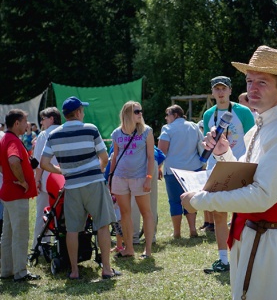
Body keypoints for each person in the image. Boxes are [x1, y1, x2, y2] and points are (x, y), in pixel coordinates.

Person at [181, 45, 277, 299]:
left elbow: (261, 195)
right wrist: (223, 153)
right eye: (249, 81)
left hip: (268, 241)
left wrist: (200, 200)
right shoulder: (259, 127)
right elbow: (244, 175)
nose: (252, 88)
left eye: (262, 82)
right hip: (251, 234)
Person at [41, 96, 119, 279]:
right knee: (102, 225)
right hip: (94, 183)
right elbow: (104, 158)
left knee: (72, 229)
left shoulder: (53, 135)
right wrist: (95, 172)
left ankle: (74, 271)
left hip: (72, 186)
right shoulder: (91, 129)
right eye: (82, 110)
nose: (83, 113)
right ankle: (107, 269)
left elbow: (44, 163)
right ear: (77, 112)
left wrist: (62, 171)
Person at [201, 76, 255, 273]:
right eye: (217, 89)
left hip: (239, 165)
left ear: (231, 90)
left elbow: (253, 140)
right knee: (218, 212)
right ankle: (223, 259)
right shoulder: (208, 114)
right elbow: (209, 142)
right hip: (216, 166)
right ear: (213, 92)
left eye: (224, 88)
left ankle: (245, 256)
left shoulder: (243, 111)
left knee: (243, 211)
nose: (221, 92)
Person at [109, 101, 154, 259]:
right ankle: (128, 248)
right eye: (136, 111)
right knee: (124, 213)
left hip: (140, 178)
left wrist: (148, 178)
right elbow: (114, 157)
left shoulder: (146, 131)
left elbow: (150, 157)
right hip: (120, 177)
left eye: (140, 111)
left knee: (146, 213)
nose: (140, 113)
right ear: (127, 114)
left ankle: (147, 250)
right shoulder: (116, 133)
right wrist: (110, 178)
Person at [0, 109, 39, 281]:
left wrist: (10, 176)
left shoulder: (5, 139)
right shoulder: (13, 141)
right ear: (17, 123)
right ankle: (20, 272)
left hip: (8, 192)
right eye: (25, 121)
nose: (27, 125)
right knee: (20, 234)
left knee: (7, 234)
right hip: (16, 193)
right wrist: (23, 181)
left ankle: (7, 270)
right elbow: (13, 160)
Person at [158, 104, 203, 239]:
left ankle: (177, 233)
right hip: (193, 169)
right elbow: (202, 146)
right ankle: (193, 229)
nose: (166, 118)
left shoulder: (167, 129)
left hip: (173, 171)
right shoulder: (194, 126)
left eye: (167, 115)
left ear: (175, 115)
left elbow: (161, 151)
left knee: (175, 201)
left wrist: (158, 167)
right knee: (191, 200)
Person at [32, 107, 61, 253]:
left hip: (47, 182)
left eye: (43, 119)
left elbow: (38, 162)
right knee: (62, 216)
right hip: (64, 182)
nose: (41, 122)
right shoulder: (65, 131)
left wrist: (36, 181)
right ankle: (60, 244)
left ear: (51, 119)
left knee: (43, 214)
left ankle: (40, 246)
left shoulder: (44, 135)